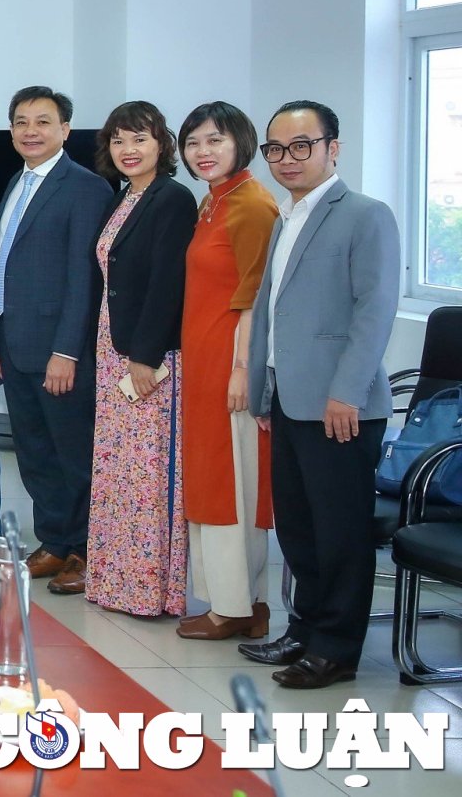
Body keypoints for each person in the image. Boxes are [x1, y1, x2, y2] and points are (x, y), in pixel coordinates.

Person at [240, 100, 399, 691]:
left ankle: (336, 648)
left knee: (339, 533)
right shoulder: (287, 216)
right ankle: (304, 628)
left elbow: (374, 310)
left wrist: (346, 393)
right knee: (299, 529)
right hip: (288, 397)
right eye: (276, 149)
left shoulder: (364, 214)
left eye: (301, 146)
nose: (287, 159)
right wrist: (261, 387)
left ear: (334, 147)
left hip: (340, 406)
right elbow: (271, 313)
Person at [0, 86, 112, 592]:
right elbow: (5, 268)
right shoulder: (17, 182)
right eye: (21, 122)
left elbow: (84, 278)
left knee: (72, 454)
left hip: (59, 351)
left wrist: (66, 350)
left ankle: (84, 550)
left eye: (43, 122)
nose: (30, 131)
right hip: (15, 345)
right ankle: (54, 541)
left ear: (65, 129)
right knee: (35, 454)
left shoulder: (85, 187)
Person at [83, 101, 196, 611]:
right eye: (119, 140)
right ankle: (116, 581)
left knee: (146, 474)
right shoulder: (126, 196)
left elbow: (167, 282)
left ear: (162, 145)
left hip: (144, 356)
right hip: (114, 346)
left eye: (140, 140)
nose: (128, 150)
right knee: (117, 471)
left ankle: (150, 589)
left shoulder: (172, 199)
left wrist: (145, 355)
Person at [175, 102, 278, 641]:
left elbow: (256, 299)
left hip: (229, 364)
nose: (202, 152)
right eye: (193, 143)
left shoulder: (252, 205)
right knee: (217, 479)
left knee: (233, 482)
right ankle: (237, 600)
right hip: (203, 361)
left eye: (214, 140)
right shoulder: (214, 201)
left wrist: (243, 369)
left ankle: (237, 606)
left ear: (240, 140)